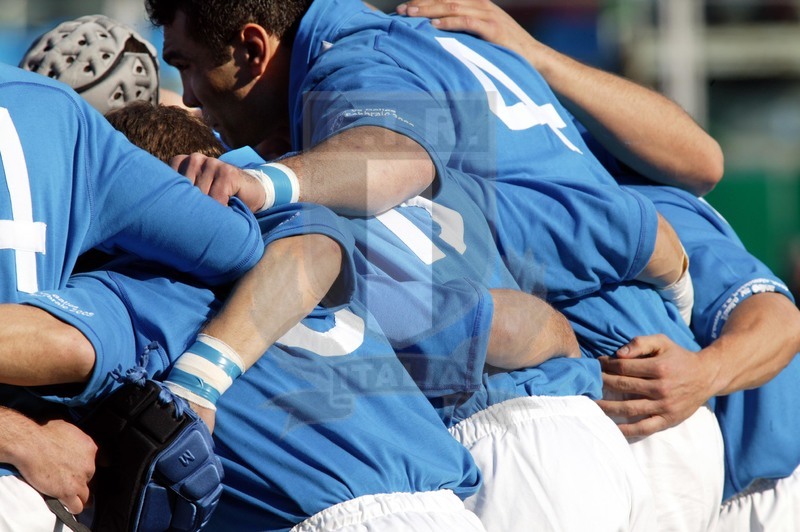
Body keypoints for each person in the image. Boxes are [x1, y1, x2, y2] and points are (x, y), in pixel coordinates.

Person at [398, 0, 800, 529]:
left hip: (758, 487)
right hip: (671, 464)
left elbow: (777, 319)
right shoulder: (551, 195)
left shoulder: (638, 196)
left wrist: (704, 374)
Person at [0, 63, 265, 521]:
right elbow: (240, 242)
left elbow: (64, 342)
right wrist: (19, 437)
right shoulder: (306, 241)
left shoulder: (146, 288)